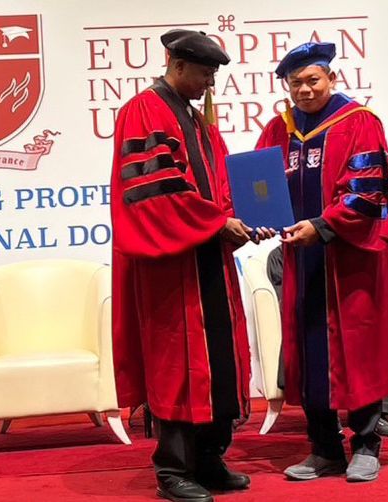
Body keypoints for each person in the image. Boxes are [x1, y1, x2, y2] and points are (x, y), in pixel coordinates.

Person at [256, 42, 388, 483]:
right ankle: (324, 450)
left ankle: (367, 445)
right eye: (295, 83)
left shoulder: (358, 122)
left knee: (360, 352)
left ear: (332, 78)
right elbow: (260, 185)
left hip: (350, 260)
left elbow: (369, 190)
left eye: (312, 80)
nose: (304, 90)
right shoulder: (279, 130)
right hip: (303, 260)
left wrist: (324, 225)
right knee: (310, 353)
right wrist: (255, 219)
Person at [110, 29, 267, 502]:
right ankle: (173, 469)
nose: (209, 83)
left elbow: (222, 186)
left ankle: (209, 458)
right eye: (203, 73)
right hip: (172, 268)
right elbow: (156, 191)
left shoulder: (198, 121)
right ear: (176, 65)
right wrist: (218, 223)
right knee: (178, 366)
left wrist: (245, 220)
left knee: (219, 361)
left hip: (208, 260)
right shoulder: (144, 111)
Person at [267, 246, 388, 438]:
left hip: (349, 316)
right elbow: (287, 301)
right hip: (315, 319)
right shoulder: (280, 256)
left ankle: (378, 417)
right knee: (310, 338)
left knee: (372, 335)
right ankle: (327, 423)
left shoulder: (350, 250)